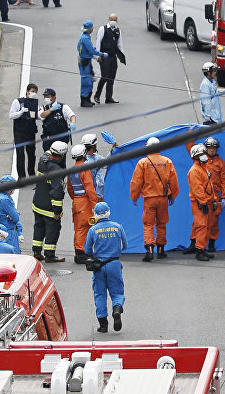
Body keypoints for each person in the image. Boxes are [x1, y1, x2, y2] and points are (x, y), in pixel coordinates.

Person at [130, 136, 179, 262]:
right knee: (162, 223)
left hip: (149, 199)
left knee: (148, 224)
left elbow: (136, 182)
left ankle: (150, 249)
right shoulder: (167, 161)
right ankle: (161, 250)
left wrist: (134, 197)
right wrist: (173, 195)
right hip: (163, 198)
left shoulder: (143, 162)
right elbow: (173, 181)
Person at [85, 202, 127, 333]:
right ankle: (117, 309)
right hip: (114, 264)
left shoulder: (93, 230)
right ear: (109, 212)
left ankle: (103, 325)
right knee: (117, 292)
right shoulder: (118, 227)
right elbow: (125, 246)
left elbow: (87, 249)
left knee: (100, 294)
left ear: (96, 215)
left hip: (99, 266)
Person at [31, 141, 68, 262]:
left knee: (39, 227)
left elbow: (48, 153)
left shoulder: (43, 160)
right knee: (53, 230)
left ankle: (36, 251)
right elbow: (56, 192)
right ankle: (49, 255)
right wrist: (57, 211)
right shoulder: (56, 170)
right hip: (49, 208)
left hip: (37, 203)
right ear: (61, 155)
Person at [68, 143, 99, 264]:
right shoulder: (85, 170)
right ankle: (81, 253)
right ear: (84, 155)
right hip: (84, 202)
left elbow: (70, 189)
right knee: (84, 227)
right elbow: (90, 188)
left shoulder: (71, 170)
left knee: (77, 228)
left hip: (76, 201)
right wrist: (95, 205)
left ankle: (78, 251)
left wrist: (75, 199)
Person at [185, 144, 216, 262]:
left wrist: (212, 200)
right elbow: (197, 189)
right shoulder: (194, 171)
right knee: (201, 226)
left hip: (205, 202)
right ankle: (199, 251)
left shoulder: (203, 168)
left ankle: (202, 248)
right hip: (199, 203)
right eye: (201, 154)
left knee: (206, 226)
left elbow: (209, 186)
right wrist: (203, 202)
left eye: (204, 153)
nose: (204, 156)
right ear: (195, 156)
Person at [203, 136, 225, 253]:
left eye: (214, 148)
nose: (212, 150)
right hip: (202, 195)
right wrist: (189, 134)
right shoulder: (202, 161)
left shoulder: (222, 164)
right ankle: (197, 244)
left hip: (215, 196)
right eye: (209, 148)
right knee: (200, 221)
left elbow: (224, 181)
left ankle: (211, 243)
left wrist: (224, 197)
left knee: (213, 221)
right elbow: (190, 150)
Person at [8, 84, 39, 179]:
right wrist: (20, 112)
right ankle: (21, 177)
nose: (33, 93)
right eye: (32, 91)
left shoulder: (35, 103)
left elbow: (37, 115)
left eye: (35, 92)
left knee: (31, 154)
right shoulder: (18, 102)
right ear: (27, 91)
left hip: (30, 132)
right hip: (19, 132)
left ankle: (31, 174)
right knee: (20, 154)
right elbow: (11, 115)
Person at [95, 14, 126, 104]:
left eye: (115, 20)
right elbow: (98, 43)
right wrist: (98, 56)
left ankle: (109, 97)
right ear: (108, 19)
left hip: (113, 57)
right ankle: (97, 95)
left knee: (111, 78)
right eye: (111, 19)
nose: (113, 21)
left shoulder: (117, 31)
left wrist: (122, 56)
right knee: (104, 76)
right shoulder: (103, 29)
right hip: (104, 56)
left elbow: (120, 44)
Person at [77, 21, 106, 107]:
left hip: (86, 61)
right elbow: (92, 50)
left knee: (90, 79)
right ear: (90, 29)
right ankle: (84, 100)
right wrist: (101, 54)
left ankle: (87, 99)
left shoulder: (85, 36)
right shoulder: (85, 38)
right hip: (85, 62)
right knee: (86, 81)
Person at [0, 174, 24, 252]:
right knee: (13, 255)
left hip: (0, 229)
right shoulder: (6, 200)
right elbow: (16, 217)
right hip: (9, 232)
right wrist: (19, 232)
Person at [39, 87, 76, 152]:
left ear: (54, 97)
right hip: (49, 138)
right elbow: (41, 115)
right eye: (45, 96)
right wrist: (51, 109)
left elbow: (72, 115)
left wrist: (73, 122)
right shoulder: (43, 108)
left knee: (61, 160)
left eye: (48, 96)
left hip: (62, 137)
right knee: (49, 159)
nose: (46, 98)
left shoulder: (63, 107)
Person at [82, 133, 110, 200]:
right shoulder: (87, 162)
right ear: (93, 146)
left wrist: (112, 150)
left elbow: (107, 162)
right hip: (94, 197)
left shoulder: (96, 157)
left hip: (100, 195)